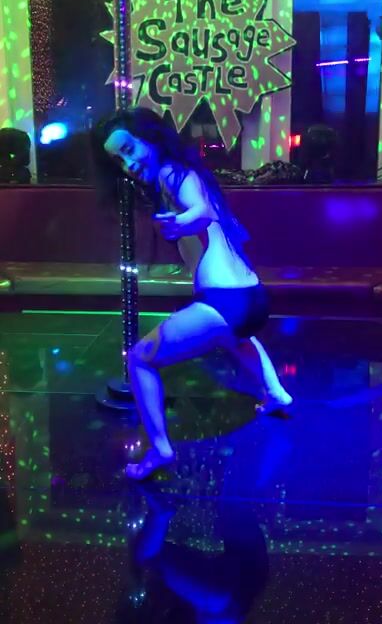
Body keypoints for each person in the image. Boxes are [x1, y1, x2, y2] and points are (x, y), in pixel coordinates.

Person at [92, 107, 292, 480]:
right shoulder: (187, 172)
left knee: (139, 359)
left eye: (130, 150)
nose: (128, 165)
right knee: (239, 339)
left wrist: (181, 221)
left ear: (151, 139)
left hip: (223, 302)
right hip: (251, 297)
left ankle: (160, 450)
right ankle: (276, 392)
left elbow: (201, 212)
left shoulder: (171, 172)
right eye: (118, 160)